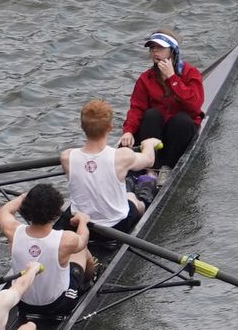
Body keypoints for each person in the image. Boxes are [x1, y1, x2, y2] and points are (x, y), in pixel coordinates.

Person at [0, 183, 95, 329]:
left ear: (26, 208)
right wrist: (82, 221)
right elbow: (83, 238)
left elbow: (4, 210)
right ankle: (89, 281)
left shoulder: (12, 231)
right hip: (58, 305)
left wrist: (23, 197)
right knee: (81, 250)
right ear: (56, 211)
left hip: (22, 303)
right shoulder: (67, 239)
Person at [61, 98, 160, 234]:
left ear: (82, 127)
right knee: (131, 197)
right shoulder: (122, 156)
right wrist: (149, 144)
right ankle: (143, 201)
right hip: (117, 226)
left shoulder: (66, 157)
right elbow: (149, 160)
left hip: (79, 224)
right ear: (109, 128)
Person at [117, 31, 204, 168]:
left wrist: (172, 78)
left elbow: (195, 106)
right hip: (155, 132)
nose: (155, 51)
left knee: (181, 120)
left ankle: (168, 167)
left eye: (160, 47)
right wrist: (128, 131)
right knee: (152, 115)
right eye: (152, 48)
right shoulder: (145, 78)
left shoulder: (190, 73)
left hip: (180, 132)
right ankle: (151, 167)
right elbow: (136, 109)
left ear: (173, 51)